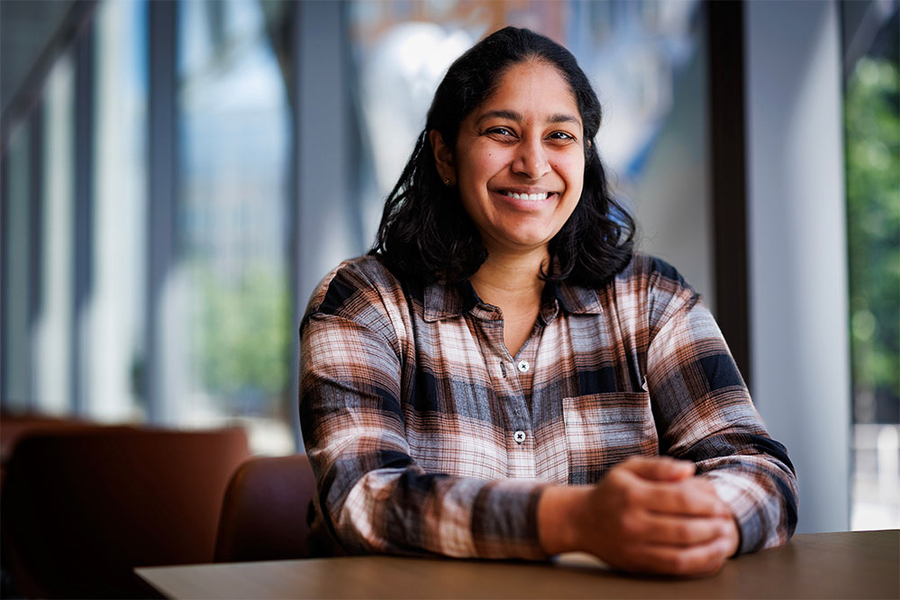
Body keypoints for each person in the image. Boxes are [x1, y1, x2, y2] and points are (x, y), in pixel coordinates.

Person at [299, 26, 797, 576]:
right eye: (502, 131)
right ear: (445, 154)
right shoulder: (363, 302)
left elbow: (757, 469)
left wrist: (697, 519)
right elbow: (364, 497)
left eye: (560, 136)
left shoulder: (652, 301)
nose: (533, 164)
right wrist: (575, 520)